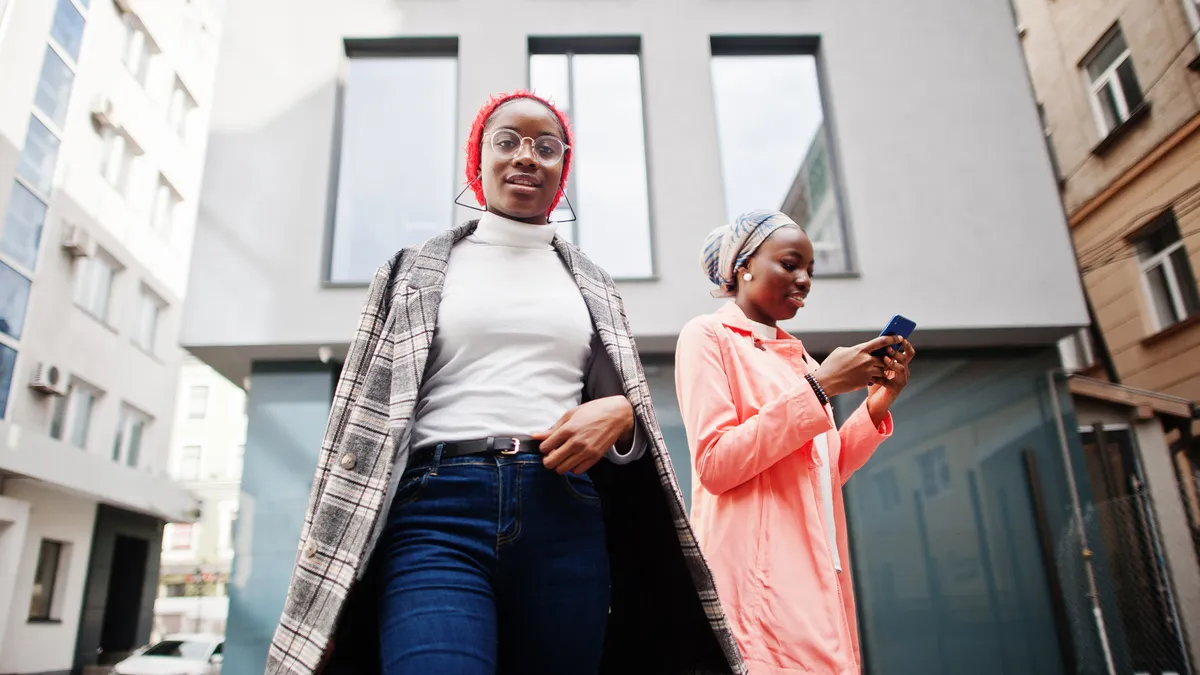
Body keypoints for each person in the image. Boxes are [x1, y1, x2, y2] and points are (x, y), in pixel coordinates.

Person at [267, 91, 744, 675]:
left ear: (561, 171)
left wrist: (623, 413)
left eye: (546, 147)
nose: (527, 156)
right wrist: (326, 587)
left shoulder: (594, 283)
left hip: (563, 507)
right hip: (435, 510)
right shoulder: (409, 269)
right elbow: (354, 422)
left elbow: (625, 414)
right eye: (507, 141)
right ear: (479, 160)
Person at [674, 210, 916, 675]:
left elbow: (818, 473)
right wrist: (821, 386)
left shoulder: (799, 356)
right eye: (790, 264)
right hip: (757, 587)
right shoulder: (707, 336)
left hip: (819, 579)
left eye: (810, 270)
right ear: (742, 265)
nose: (804, 279)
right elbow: (715, 463)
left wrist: (876, 406)